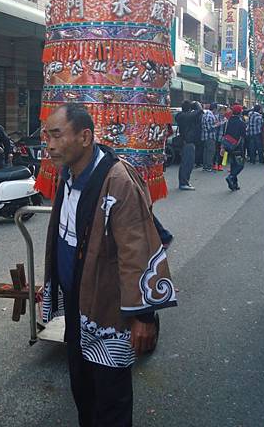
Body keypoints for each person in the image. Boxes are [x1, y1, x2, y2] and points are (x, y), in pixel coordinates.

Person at [42, 104, 177, 426]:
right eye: (47, 136)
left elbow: (136, 250)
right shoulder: (69, 175)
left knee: (111, 399)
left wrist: (143, 316)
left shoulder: (117, 180)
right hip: (78, 300)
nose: (49, 144)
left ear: (85, 136)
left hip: (110, 309)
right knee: (82, 387)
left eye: (57, 135)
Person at [175, 100, 203, 190]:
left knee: (186, 163)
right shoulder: (186, 116)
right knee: (187, 163)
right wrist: (197, 105)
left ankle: (184, 182)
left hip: (186, 141)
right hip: (188, 142)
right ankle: (183, 183)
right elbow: (199, 111)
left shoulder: (180, 116)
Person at [222, 104, 247, 191]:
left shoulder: (228, 121)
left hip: (228, 145)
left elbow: (225, 133)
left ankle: (234, 184)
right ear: (240, 112)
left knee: (233, 164)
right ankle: (231, 177)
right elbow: (244, 136)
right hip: (238, 147)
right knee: (240, 165)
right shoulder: (242, 123)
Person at [201, 103, 218, 172]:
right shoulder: (210, 115)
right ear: (215, 109)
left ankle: (205, 166)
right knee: (211, 151)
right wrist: (217, 124)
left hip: (205, 136)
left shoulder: (206, 114)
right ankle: (208, 166)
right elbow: (210, 127)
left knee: (206, 152)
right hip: (210, 136)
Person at [213, 107, 227, 171]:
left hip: (222, 138)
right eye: (221, 110)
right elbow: (214, 125)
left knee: (221, 152)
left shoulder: (225, 119)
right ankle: (214, 164)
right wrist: (221, 122)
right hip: (216, 136)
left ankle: (220, 165)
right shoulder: (215, 117)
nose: (222, 112)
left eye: (224, 111)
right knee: (215, 151)